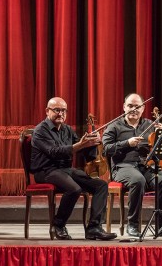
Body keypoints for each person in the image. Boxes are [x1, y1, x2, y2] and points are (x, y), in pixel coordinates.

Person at [30, 97, 117, 241]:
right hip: (45, 171)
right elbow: (54, 152)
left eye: (64, 110)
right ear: (47, 111)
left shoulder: (67, 130)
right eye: (57, 110)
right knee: (74, 189)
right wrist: (81, 145)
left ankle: (94, 228)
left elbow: (85, 153)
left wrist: (93, 144)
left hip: (65, 170)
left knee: (101, 185)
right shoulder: (40, 130)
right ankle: (58, 225)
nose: (61, 114)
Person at [102, 93, 162, 237]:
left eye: (137, 106)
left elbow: (161, 149)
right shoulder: (114, 126)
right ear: (124, 107)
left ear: (143, 109)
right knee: (137, 180)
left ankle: (161, 225)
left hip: (145, 166)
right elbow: (106, 149)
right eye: (130, 106)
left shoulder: (150, 125)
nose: (133, 109)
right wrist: (126, 143)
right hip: (122, 167)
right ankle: (133, 224)